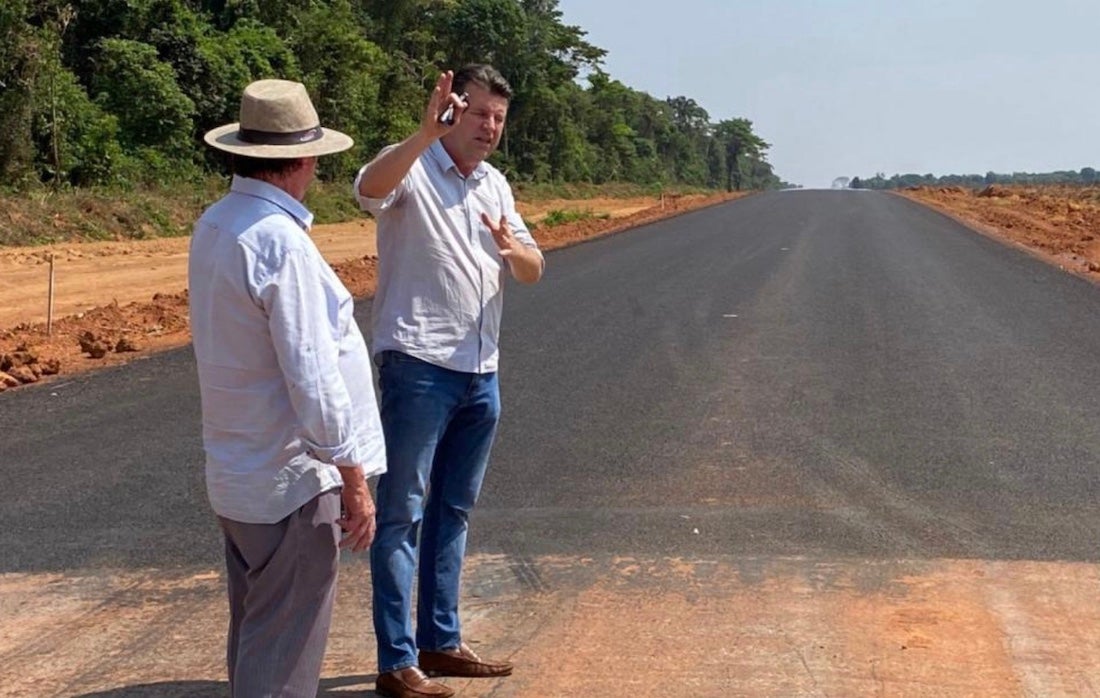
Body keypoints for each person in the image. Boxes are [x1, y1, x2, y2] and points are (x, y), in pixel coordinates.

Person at [189, 79, 387, 698]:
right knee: (283, 660)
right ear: (302, 161)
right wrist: (353, 479)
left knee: (258, 638)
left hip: (239, 473)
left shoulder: (216, 224)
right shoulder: (280, 243)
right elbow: (313, 377)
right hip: (291, 482)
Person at [354, 64, 544, 698]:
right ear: (455, 109)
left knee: (453, 510)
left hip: (481, 372)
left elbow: (533, 269)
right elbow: (367, 188)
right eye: (480, 112)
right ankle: (397, 661)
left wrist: (513, 251)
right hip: (418, 365)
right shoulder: (413, 167)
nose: (489, 127)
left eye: (499, 118)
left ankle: (440, 639)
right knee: (402, 513)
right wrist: (422, 135)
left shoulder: (496, 185)